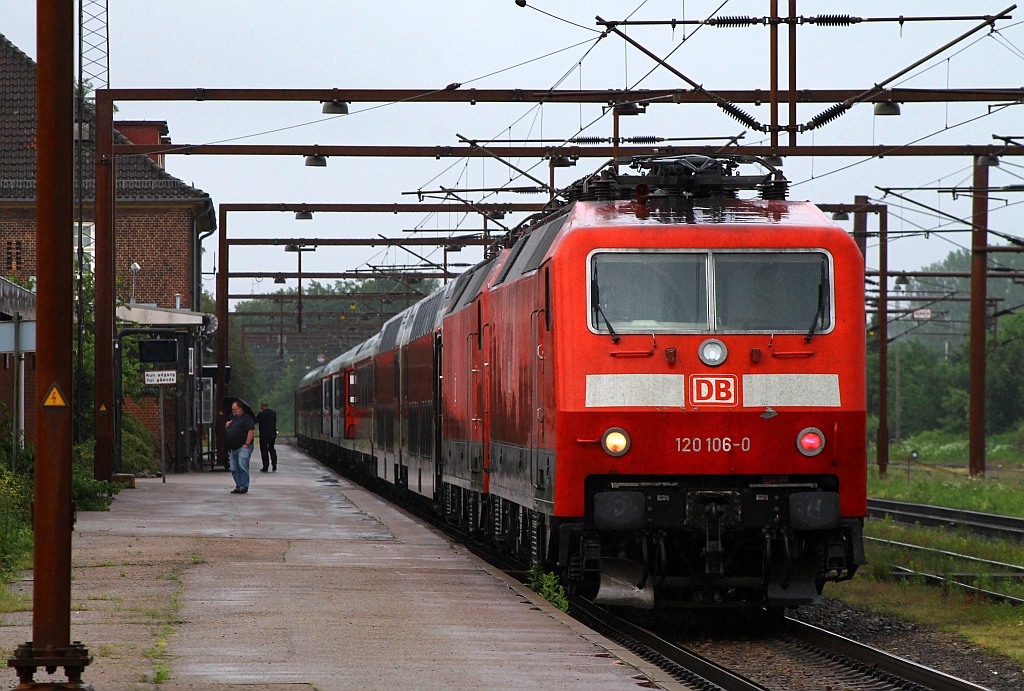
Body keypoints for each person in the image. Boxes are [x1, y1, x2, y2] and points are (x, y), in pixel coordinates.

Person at [225, 400, 255, 494]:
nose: (233, 411)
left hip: (243, 447)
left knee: (242, 466)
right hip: (233, 447)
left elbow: (251, 431)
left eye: (234, 409)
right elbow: (230, 431)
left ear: (240, 409)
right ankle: (238, 485)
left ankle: (244, 485)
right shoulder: (233, 418)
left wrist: (247, 444)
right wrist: (226, 427)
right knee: (234, 468)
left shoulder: (247, 418)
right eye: (232, 409)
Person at [255, 402, 278, 472]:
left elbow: (255, 421)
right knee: (272, 448)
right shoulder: (273, 413)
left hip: (263, 435)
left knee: (264, 450)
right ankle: (274, 464)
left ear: (262, 407)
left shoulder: (261, 414)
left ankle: (265, 466)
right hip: (272, 434)